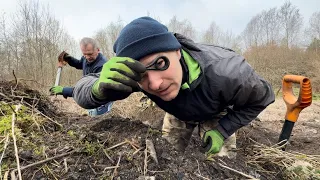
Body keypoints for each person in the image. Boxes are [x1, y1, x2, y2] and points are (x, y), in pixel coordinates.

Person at [71, 17, 275, 157]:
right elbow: (82, 88)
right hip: (179, 111)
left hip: (217, 110)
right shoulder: (138, 79)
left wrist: (223, 131)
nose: (155, 83)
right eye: (142, 75)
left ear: (177, 51)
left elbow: (262, 98)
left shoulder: (229, 72)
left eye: (160, 64)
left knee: (220, 161)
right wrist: (97, 88)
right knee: (166, 155)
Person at [50, 37, 113, 116]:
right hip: (91, 98)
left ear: (98, 50)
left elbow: (88, 89)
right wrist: (69, 59)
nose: (87, 57)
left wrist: (64, 90)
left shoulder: (102, 66)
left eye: (90, 54)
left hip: (100, 102)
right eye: (84, 54)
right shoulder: (86, 58)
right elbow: (80, 64)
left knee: (99, 121)